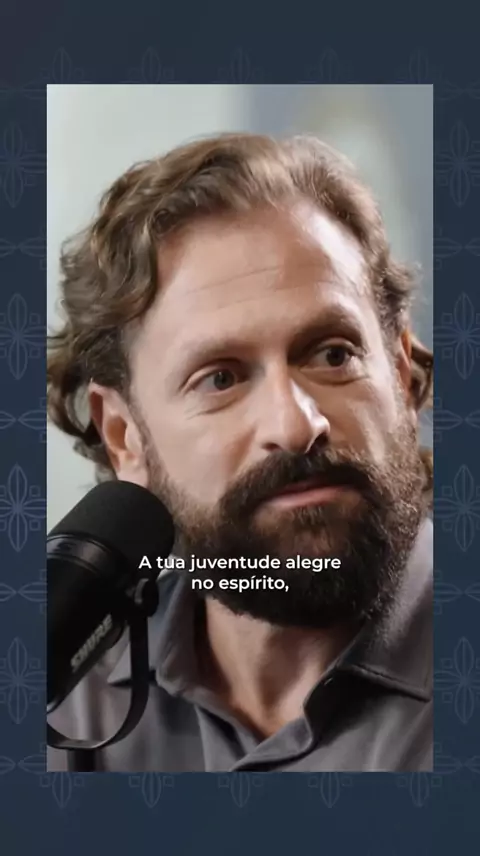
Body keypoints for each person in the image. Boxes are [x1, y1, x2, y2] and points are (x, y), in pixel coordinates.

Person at [47, 132, 433, 772]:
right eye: (221, 378)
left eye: (333, 354)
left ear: (399, 371)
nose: (297, 424)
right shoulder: (64, 701)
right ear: (124, 436)